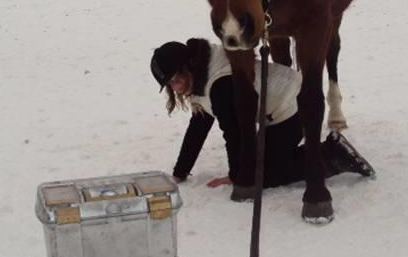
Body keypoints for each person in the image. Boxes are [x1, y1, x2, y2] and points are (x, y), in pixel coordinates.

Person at [150, 37, 375, 190]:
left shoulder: (219, 83)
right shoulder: (203, 76)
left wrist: (237, 176)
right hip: (281, 111)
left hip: (295, 108)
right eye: (170, 84)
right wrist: (180, 172)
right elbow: (199, 126)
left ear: (189, 65)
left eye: (177, 77)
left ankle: (333, 154)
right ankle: (329, 152)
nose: (176, 86)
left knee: (260, 176)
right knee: (255, 166)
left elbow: (234, 131)